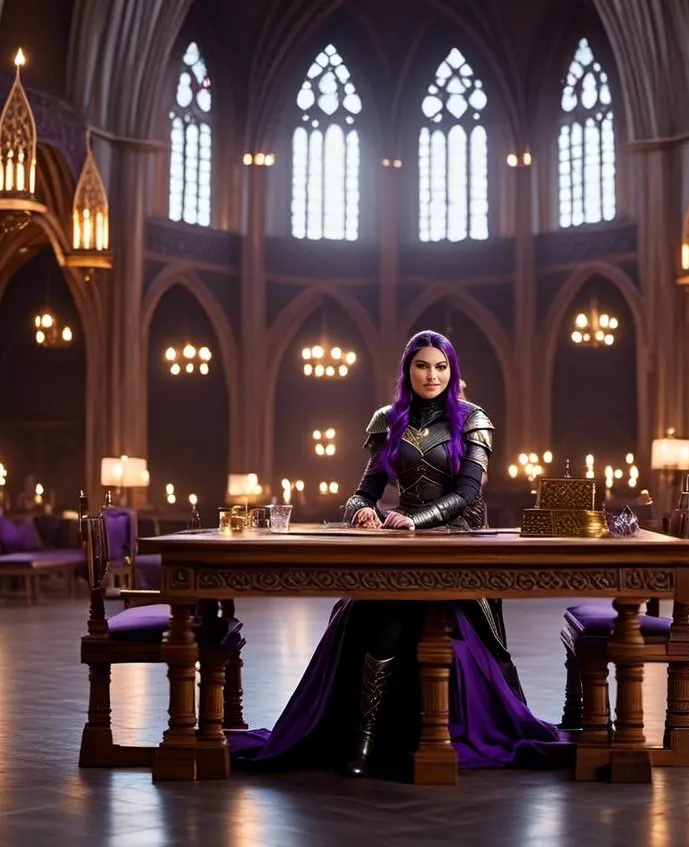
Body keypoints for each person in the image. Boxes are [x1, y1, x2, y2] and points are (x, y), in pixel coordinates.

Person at [231, 330, 566, 777]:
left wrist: (417, 520)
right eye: (423, 366)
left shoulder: (473, 418)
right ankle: (363, 741)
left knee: (446, 630)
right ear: (408, 370)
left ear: (453, 371)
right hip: (400, 544)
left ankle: (434, 736)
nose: (432, 375)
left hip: (458, 544)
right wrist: (361, 512)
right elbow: (363, 491)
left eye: (441, 367)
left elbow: (467, 493)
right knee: (375, 622)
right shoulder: (387, 420)